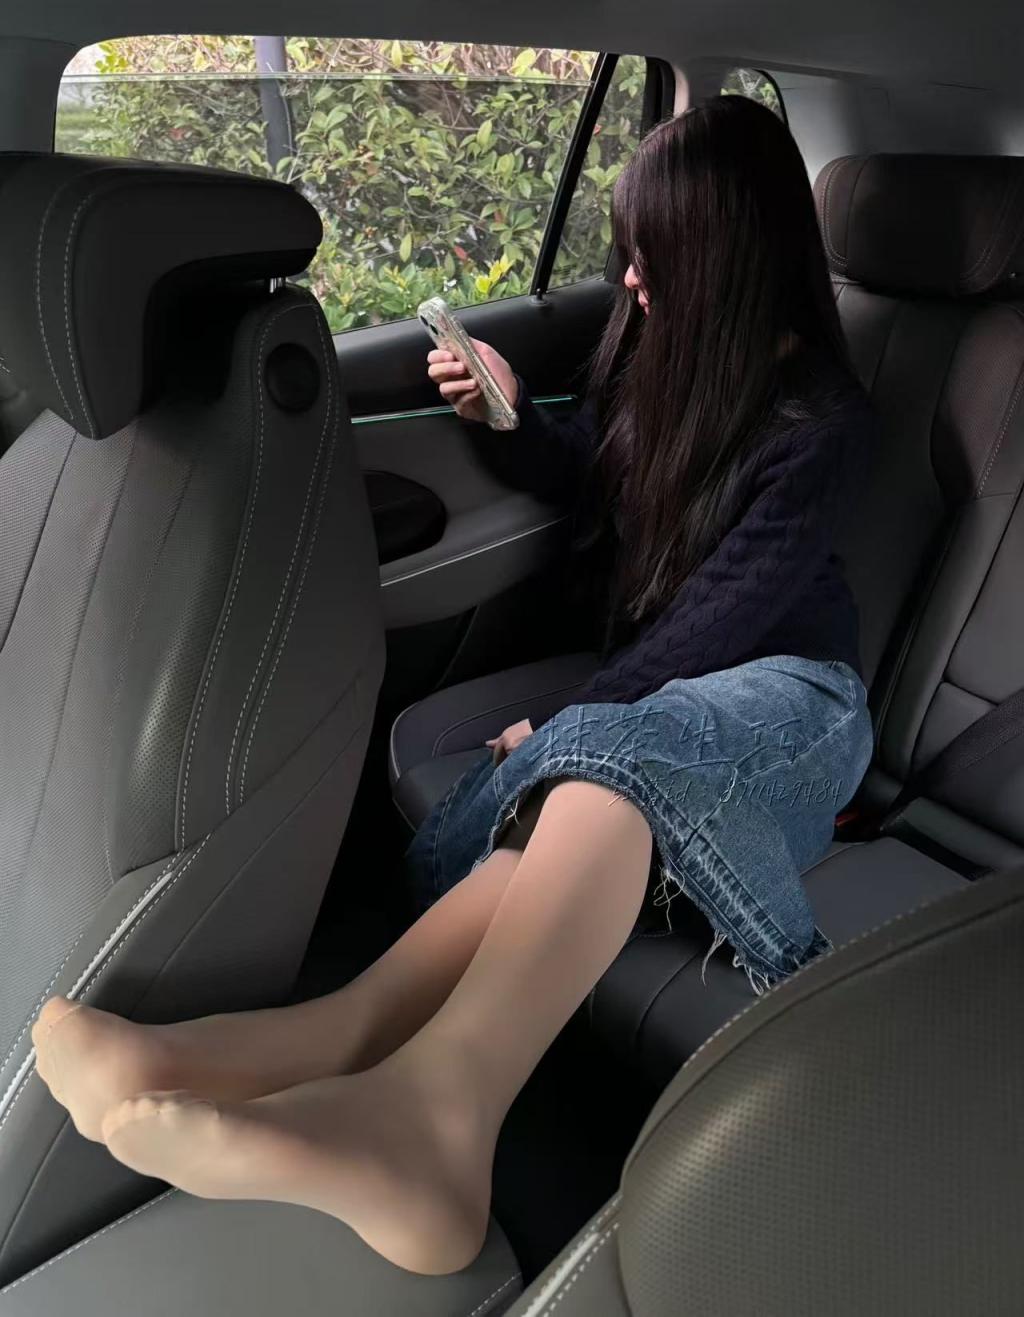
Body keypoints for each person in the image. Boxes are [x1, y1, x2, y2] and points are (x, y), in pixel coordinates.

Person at [30, 95, 875, 1278]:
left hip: (789, 705)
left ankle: (438, 1120)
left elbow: (721, 619)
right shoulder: (669, 362)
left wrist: (572, 722)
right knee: (574, 806)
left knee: (604, 765)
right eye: (630, 253)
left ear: (732, 258)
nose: (632, 281)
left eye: (657, 256)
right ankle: (304, 1043)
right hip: (667, 711)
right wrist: (506, 421)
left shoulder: (823, 422)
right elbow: (604, 485)